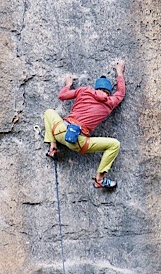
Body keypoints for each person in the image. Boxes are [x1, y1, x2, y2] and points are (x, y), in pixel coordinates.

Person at [43, 60, 126, 189]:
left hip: (60, 131)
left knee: (48, 112)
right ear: (109, 92)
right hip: (78, 142)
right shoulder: (110, 102)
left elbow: (62, 95)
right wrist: (119, 72)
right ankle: (100, 179)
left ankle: (52, 147)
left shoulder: (84, 90)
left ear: (96, 88)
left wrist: (68, 84)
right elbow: (121, 93)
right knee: (114, 144)